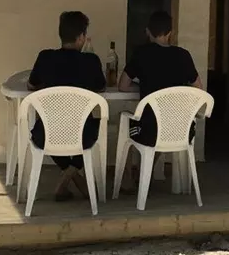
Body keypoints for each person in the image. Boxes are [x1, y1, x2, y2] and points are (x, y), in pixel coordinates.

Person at [28, 11, 106, 201]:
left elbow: (31, 85)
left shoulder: (45, 57)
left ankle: (67, 177)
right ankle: (72, 176)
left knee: (45, 130)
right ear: (81, 37)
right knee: (97, 129)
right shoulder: (91, 61)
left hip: (47, 134)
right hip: (82, 134)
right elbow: (101, 86)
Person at [118, 10, 202, 147]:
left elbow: (122, 86)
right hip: (181, 131)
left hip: (149, 131)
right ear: (170, 33)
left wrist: (144, 85)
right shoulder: (184, 56)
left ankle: (136, 168)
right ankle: (148, 166)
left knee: (126, 124)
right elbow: (198, 88)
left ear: (148, 32)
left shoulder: (141, 54)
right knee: (158, 131)